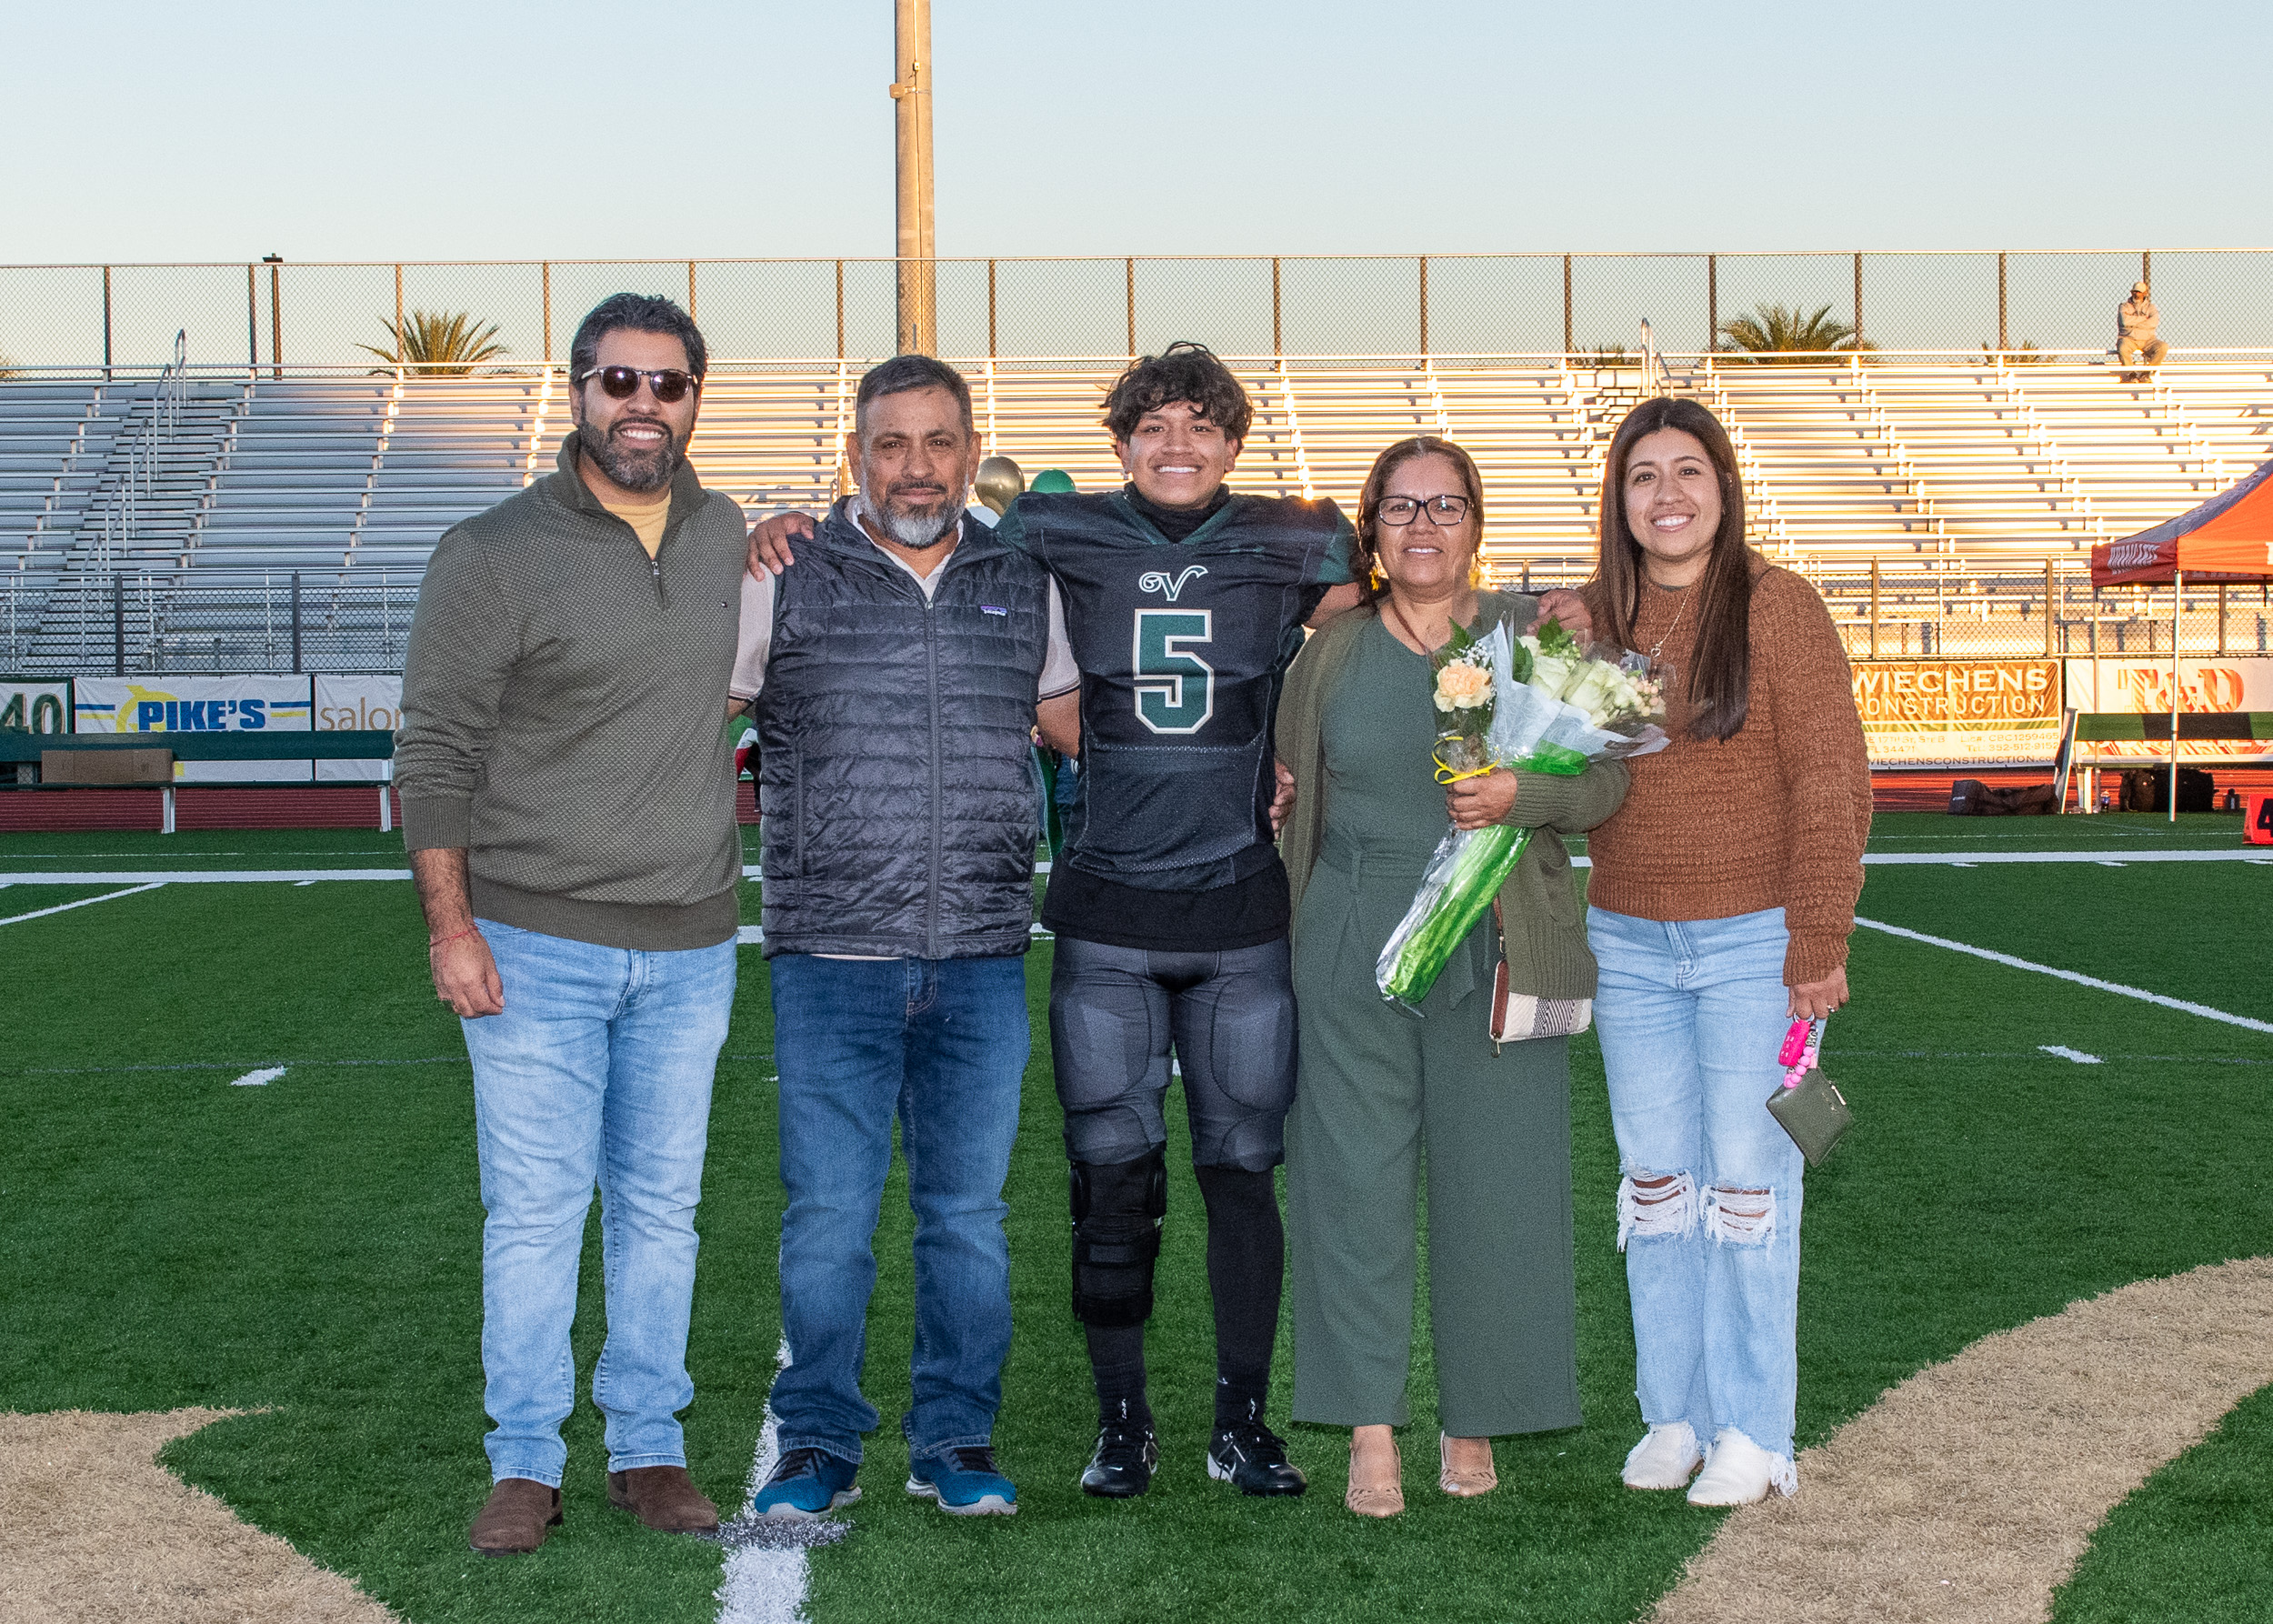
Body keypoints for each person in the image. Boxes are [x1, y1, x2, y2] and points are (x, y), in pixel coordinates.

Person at [750, 346, 1597, 1501]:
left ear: (1235, 442)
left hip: (1240, 907)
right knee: (1110, 1185)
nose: (1178, 444)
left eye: (1202, 424)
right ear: (1120, 443)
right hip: (1107, 907)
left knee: (1243, 1174)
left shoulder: (1297, 536)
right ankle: (1122, 1424)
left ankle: (1240, 1424)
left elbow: (1406, 589)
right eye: (1153, 425)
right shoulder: (1052, 530)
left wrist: (1545, 609)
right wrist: (793, 526)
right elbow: (934, 535)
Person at [396, 294, 748, 1556]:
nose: (643, 405)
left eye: (668, 383)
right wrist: (451, 926)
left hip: (693, 943)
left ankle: (648, 1444)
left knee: (662, 1212)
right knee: (537, 1214)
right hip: (533, 942)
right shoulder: (490, 551)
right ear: (578, 390)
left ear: (695, 399)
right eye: (619, 381)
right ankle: (525, 1458)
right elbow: (434, 750)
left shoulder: (731, 535)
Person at [734, 355, 1080, 1520]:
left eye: (939, 442)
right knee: (828, 1221)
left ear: (971, 454)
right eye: (892, 443)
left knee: (967, 1221)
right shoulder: (783, 574)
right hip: (830, 955)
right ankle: (818, 1440)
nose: (916, 467)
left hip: (980, 952)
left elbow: (1077, 726)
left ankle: (954, 1437)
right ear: (855, 456)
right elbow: (688, 714)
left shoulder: (1022, 579)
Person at [1274, 436, 1627, 1517]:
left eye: (1444, 505)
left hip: (1497, 937)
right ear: (1371, 530)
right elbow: (1289, 785)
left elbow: (1607, 785)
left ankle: (1477, 1414)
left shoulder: (1543, 635)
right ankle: (1368, 1424)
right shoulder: (1328, 652)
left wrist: (1525, 794)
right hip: (1349, 938)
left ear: (1476, 520)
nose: (1422, 526)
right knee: (1349, 1185)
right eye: (1399, 507)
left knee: (1500, 1183)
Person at [1577, 397, 1870, 1508]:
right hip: (1626, 939)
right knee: (1656, 1184)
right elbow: (1559, 769)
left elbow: (1830, 778)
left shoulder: (1777, 605)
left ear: (1724, 486)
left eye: (1688, 471)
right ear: (1619, 498)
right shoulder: (1592, 619)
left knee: (1747, 1186)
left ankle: (1755, 1431)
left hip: (1756, 941)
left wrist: (1818, 935)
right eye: (1643, 475)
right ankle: (1674, 1415)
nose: (1667, 495)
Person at [2118, 281, 2166, 380]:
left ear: (2145, 293)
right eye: (2134, 291)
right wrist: (2144, 319)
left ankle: (2146, 374)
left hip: (2148, 339)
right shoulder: (2124, 306)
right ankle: (2131, 374)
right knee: (2122, 348)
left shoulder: (2151, 307)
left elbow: (2153, 323)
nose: (2136, 294)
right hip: (2129, 338)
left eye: (2139, 292)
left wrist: (2133, 323)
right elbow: (2125, 321)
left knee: (2162, 347)